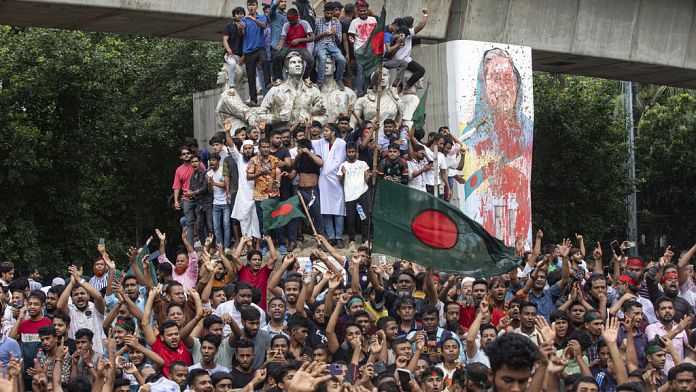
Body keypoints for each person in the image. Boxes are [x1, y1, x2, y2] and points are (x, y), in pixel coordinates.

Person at [313, 123, 347, 248]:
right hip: (324, 180)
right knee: (326, 209)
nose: (324, 133)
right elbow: (309, 142)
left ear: (333, 132)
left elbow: (339, 161)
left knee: (338, 209)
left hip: (337, 179)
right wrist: (306, 128)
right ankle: (331, 236)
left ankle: (339, 237)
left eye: (326, 131)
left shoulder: (341, 143)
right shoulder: (321, 142)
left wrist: (327, 171)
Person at [338, 142, 371, 251]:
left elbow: (366, 179)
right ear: (346, 152)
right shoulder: (343, 165)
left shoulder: (363, 164)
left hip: (362, 193)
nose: (351, 154)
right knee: (351, 220)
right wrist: (343, 174)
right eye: (349, 152)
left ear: (356, 152)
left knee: (364, 218)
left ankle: (365, 240)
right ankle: (351, 241)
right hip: (350, 196)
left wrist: (369, 176)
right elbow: (341, 181)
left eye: (353, 151)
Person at [241, 0, 271, 105]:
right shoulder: (243, 19)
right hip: (248, 51)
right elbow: (241, 33)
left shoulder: (262, 17)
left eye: (253, 5)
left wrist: (253, 20)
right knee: (251, 76)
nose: (251, 7)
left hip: (259, 48)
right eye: (249, 5)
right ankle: (253, 100)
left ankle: (268, 83)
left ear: (256, 6)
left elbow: (264, 26)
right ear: (247, 7)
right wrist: (241, 28)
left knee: (264, 62)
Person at [348, 0, 377, 96]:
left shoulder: (373, 20)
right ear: (358, 11)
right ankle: (358, 91)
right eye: (361, 11)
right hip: (359, 49)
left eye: (364, 11)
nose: (363, 13)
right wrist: (353, 53)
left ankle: (367, 90)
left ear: (367, 10)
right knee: (360, 70)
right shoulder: (354, 22)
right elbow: (350, 37)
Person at [277, 8, 315, 81]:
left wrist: (299, 40)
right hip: (289, 47)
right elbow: (282, 38)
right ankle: (278, 78)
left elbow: (312, 38)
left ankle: (305, 77)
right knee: (277, 57)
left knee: (311, 60)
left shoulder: (304, 23)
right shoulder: (286, 25)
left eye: (292, 20)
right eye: (289, 20)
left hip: (301, 48)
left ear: (297, 17)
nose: (290, 22)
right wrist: (280, 46)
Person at [314, 3, 345, 91]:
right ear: (324, 12)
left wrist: (335, 34)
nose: (329, 15)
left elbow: (339, 42)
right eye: (327, 13)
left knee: (342, 59)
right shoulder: (318, 22)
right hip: (321, 45)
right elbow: (313, 38)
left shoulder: (337, 22)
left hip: (332, 45)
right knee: (323, 58)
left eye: (331, 14)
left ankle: (338, 79)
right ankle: (320, 82)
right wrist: (323, 34)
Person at [207, 153, 231, 250]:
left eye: (213, 160)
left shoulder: (223, 170)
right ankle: (219, 247)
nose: (211, 162)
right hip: (215, 203)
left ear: (218, 160)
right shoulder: (209, 173)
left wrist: (214, 183)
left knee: (226, 225)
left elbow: (226, 185)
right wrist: (209, 184)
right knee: (216, 227)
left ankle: (226, 246)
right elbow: (210, 191)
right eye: (210, 160)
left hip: (225, 202)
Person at [223, 7, 246, 88]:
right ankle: (231, 85)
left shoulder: (247, 27)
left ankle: (253, 96)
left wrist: (244, 56)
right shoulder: (228, 26)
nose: (239, 15)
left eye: (241, 13)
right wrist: (229, 51)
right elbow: (225, 40)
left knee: (251, 72)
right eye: (237, 14)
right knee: (232, 64)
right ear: (234, 16)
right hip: (230, 55)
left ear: (244, 15)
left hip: (242, 57)